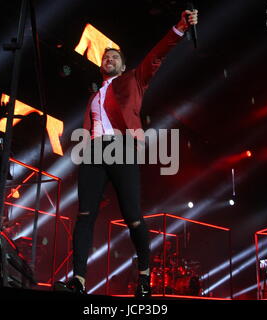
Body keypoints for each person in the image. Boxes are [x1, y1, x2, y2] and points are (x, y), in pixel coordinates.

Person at [54, 9, 198, 297]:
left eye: (115, 57)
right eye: (106, 57)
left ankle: (144, 277)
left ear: (123, 66)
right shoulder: (94, 96)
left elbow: (157, 54)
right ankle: (78, 280)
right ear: (100, 65)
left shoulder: (134, 80)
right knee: (84, 215)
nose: (109, 59)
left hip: (121, 148)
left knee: (132, 215)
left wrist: (180, 28)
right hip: (94, 151)